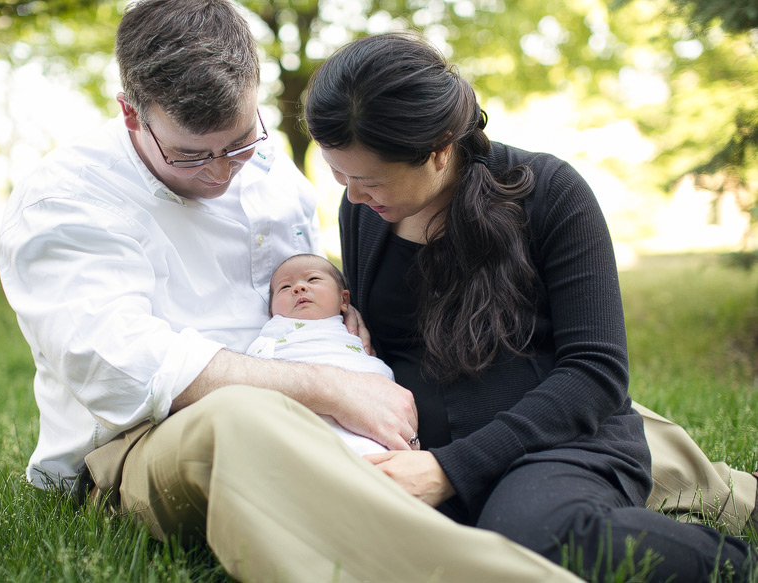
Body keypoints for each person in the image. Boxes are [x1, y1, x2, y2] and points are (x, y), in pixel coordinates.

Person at [0, 1, 588, 581]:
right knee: (240, 420)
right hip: (151, 442)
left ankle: (633, 502)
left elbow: (303, 278)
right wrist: (324, 386)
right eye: (190, 155)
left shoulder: (269, 167)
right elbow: (122, 366)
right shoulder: (68, 201)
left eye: (238, 142)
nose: (222, 173)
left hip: (313, 404)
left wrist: (344, 333)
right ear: (132, 115)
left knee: (534, 393)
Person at [303, 31, 757, 582]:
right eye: (339, 176)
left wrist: (451, 469)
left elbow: (596, 373)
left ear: (441, 147)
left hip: (551, 445)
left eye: (368, 179)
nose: (351, 196)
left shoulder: (552, 193)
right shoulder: (364, 212)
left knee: (533, 537)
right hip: (418, 454)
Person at [247, 253, 391, 455]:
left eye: (312, 279)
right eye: (285, 287)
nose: (298, 288)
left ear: (344, 299)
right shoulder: (274, 332)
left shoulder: (354, 331)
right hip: (301, 412)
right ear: (271, 311)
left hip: (365, 402)